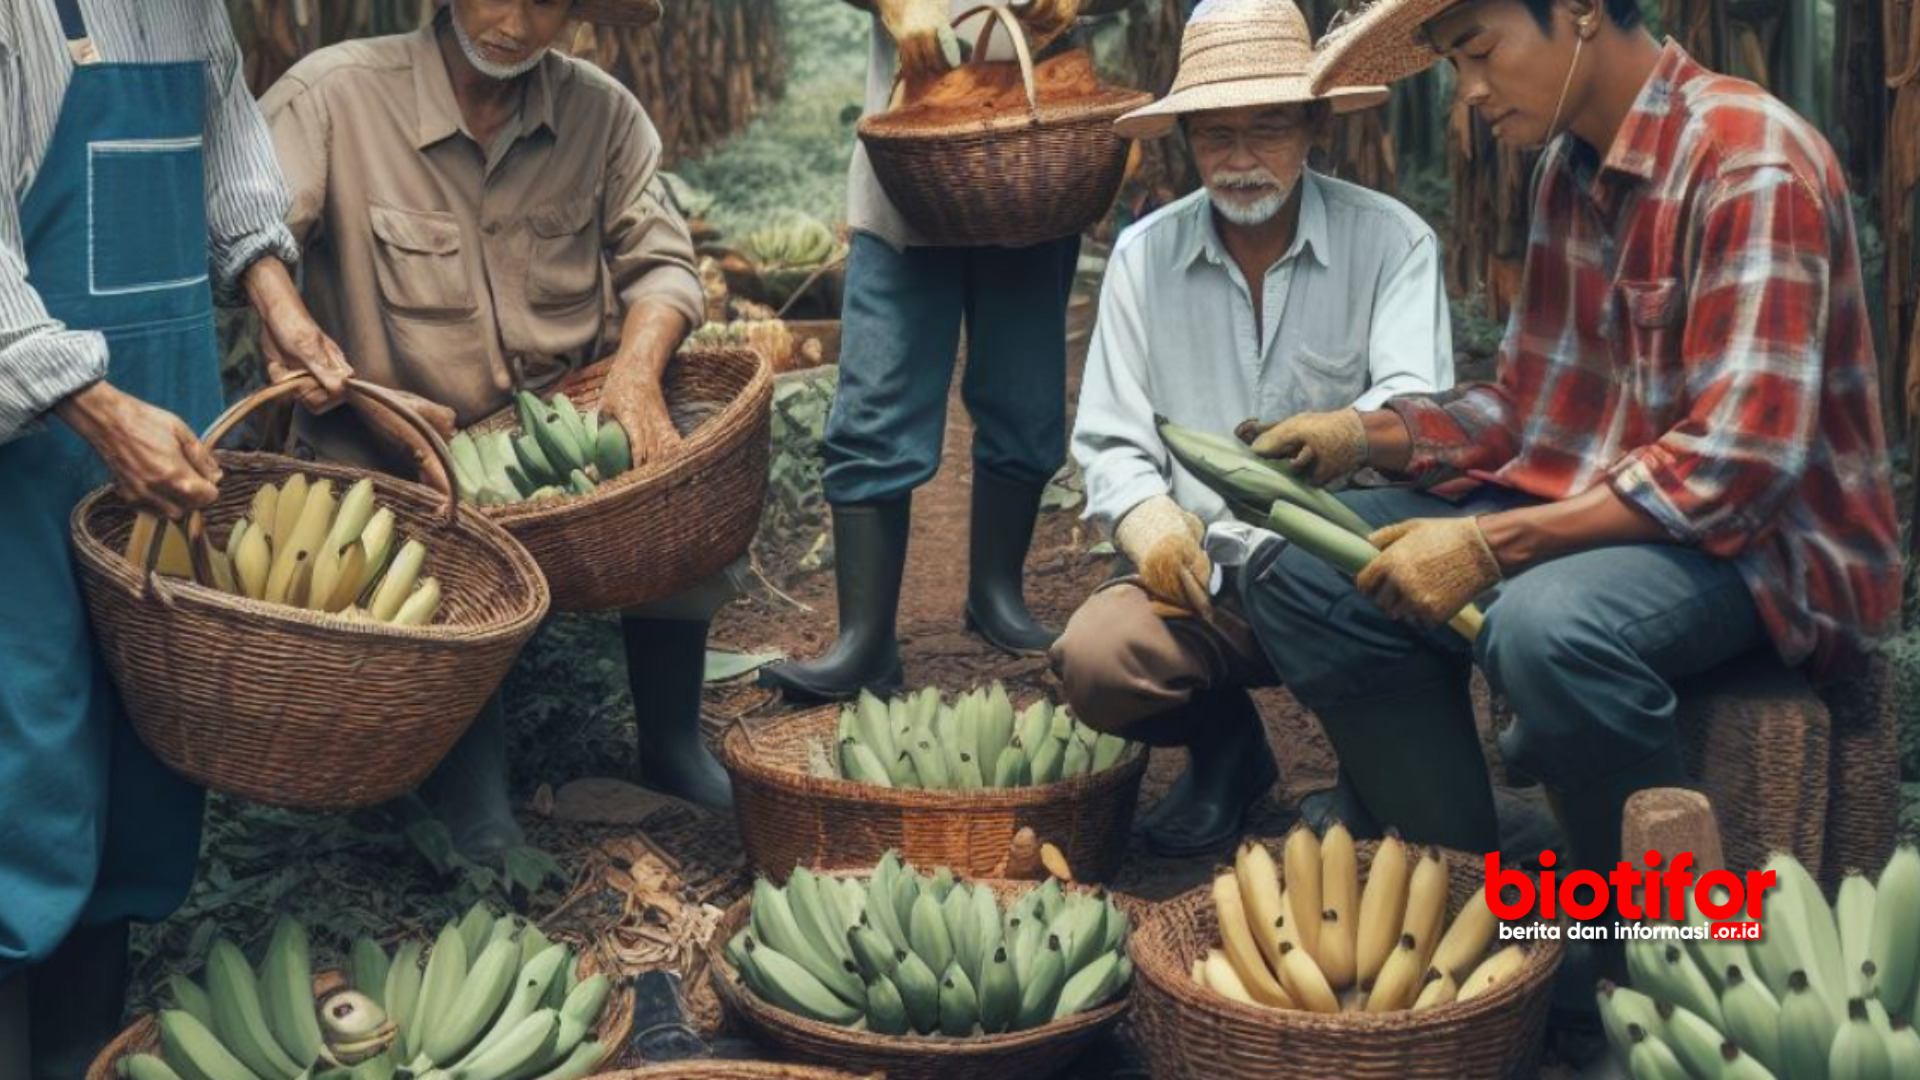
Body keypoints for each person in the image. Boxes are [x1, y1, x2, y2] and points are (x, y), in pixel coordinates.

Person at [1242, 0, 1898, 950]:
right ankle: (1475, 879)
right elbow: (1530, 413)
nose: (1468, 94)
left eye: (1478, 53)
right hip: (1616, 507)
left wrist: (1486, 541)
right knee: (1298, 569)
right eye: (1451, 69)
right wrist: (1362, 436)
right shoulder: (1567, 168)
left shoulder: (1750, 161)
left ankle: (1651, 949)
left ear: (1584, 12)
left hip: (1770, 550)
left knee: (1548, 631)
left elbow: (1736, 470)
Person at [261, 0, 732, 861]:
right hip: (393, 453)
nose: (514, 21)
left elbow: (663, 264)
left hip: (559, 437)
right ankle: (473, 800)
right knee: (436, 551)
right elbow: (254, 258)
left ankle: (671, 744)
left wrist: (634, 374)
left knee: (679, 472)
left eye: (546, 0)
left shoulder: (601, 114)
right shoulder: (331, 99)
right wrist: (349, 386)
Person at [0, 1, 352, 1076]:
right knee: (30, 742)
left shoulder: (190, 9)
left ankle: (78, 1039)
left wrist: (278, 298)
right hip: (29, 442)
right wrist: (91, 408)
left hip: (174, 413)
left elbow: (232, 155)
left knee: (145, 738)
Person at [1049, 0, 1454, 856]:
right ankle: (1227, 752)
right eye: (1214, 135)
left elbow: (1421, 413)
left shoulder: (1393, 244)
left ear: (1314, 125)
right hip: (1207, 578)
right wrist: (1149, 522)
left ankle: (1369, 772)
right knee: (1099, 658)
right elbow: (1114, 437)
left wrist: (1354, 431)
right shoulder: (1143, 258)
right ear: (1185, 137)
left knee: (1427, 590)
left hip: (1347, 574)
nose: (1238, 161)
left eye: (1267, 129)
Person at [758, 0, 1133, 703]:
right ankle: (863, 641)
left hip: (1033, 157)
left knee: (1025, 398)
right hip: (909, 164)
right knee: (878, 399)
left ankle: (997, 595)